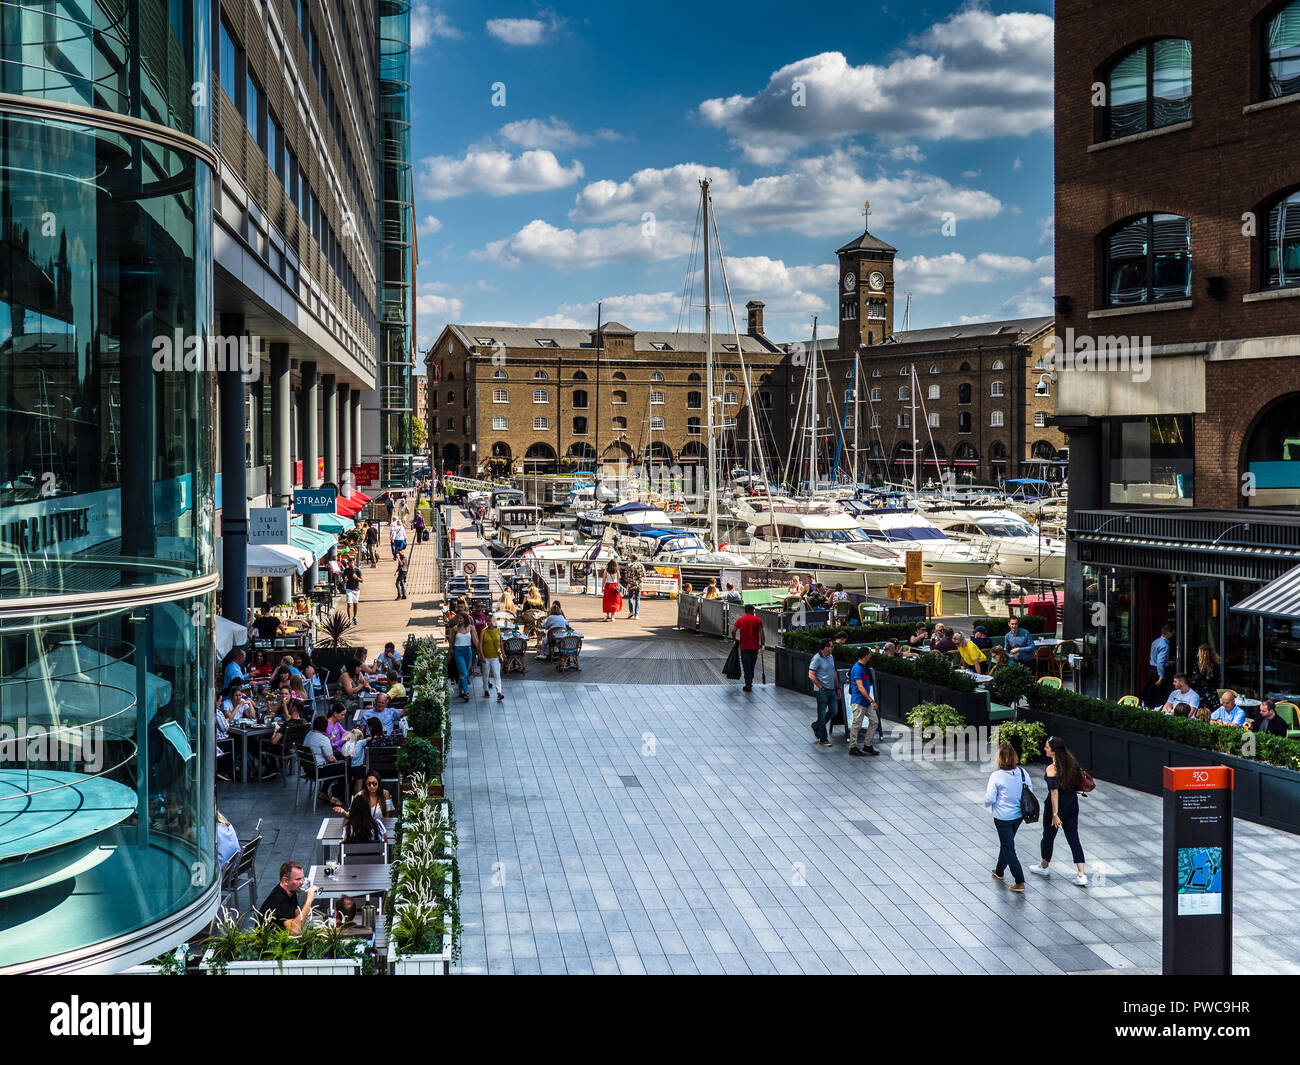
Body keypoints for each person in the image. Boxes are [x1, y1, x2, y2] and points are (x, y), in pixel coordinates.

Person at [1030, 736, 1088, 886]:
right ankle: (1081, 874)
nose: (1045, 749)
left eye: (1047, 747)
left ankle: (1044, 866)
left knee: (1048, 836)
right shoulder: (1072, 764)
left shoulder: (1051, 769)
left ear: (1054, 751)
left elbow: (1054, 792)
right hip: (1072, 803)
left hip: (1056, 806)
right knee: (1073, 837)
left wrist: (1055, 814)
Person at [984, 742, 1033, 893]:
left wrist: (987, 804)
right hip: (1018, 815)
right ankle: (999, 871)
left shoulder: (996, 776)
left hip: (1002, 817)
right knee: (1007, 842)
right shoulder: (1023, 773)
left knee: (1008, 847)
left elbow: (990, 799)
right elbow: (1030, 791)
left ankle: (1019, 881)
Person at [260, 861, 317, 934]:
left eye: (302, 878)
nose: (302, 882)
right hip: (271, 942)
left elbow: (298, 916)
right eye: (298, 879)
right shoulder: (280, 900)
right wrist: (309, 900)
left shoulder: (291, 890)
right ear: (285, 880)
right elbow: (295, 931)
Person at [848, 646, 881, 757]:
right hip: (859, 701)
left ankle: (867, 745)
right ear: (866, 654)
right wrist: (872, 700)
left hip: (865, 701)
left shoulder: (864, 667)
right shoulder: (857, 668)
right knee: (856, 724)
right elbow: (860, 687)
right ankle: (853, 747)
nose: (871, 655)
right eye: (870, 653)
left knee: (874, 721)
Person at [807, 639, 838, 749]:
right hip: (822, 691)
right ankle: (823, 738)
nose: (833, 648)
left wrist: (837, 687)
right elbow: (811, 674)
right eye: (831, 646)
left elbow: (833, 672)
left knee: (834, 711)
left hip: (832, 689)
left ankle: (816, 726)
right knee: (821, 713)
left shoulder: (831, 657)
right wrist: (820, 686)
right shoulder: (817, 658)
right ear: (825, 647)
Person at [731, 602, 765, 692]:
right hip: (754, 647)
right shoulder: (758, 620)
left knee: (746, 665)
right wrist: (763, 645)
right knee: (752, 665)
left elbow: (733, 631)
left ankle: (748, 683)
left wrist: (734, 639)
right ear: (752, 611)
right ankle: (749, 680)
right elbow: (762, 633)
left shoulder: (740, 620)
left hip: (744, 646)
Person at [448, 612, 480, 701]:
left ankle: (461, 688)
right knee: (463, 672)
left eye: (461, 618)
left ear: (465, 619)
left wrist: (480, 651)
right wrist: (450, 651)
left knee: (465, 671)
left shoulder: (471, 628)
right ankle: (466, 692)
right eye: (458, 618)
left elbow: (475, 641)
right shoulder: (455, 629)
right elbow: (451, 641)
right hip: (458, 651)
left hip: (468, 651)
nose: (459, 620)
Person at [1142, 623, 1175, 708]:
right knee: (1158, 693)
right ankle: (1154, 709)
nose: (1172, 635)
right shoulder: (1165, 645)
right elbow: (1160, 662)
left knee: (1150, 691)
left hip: (1151, 668)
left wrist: (1167, 662)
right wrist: (1161, 676)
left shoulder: (1155, 641)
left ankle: (1146, 706)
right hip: (1158, 671)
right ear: (1167, 633)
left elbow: (1156, 657)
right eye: (1172, 633)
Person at [480, 613, 504, 702]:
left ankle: (499, 692)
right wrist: (481, 655)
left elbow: (501, 642)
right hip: (486, 656)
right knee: (486, 674)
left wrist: (503, 653)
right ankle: (485, 689)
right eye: (487, 621)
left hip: (495, 656)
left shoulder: (498, 630)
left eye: (490, 621)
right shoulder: (483, 632)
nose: (489, 623)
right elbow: (480, 645)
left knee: (497, 674)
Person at [1189, 643, 1221, 707]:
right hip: (1212, 694)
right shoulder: (1215, 665)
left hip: (1200, 695)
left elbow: (1195, 681)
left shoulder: (1198, 666)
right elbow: (1217, 680)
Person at [341, 558, 364, 626]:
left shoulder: (357, 570)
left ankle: (355, 617)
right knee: (349, 604)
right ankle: (349, 620)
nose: (351, 564)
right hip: (349, 589)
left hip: (356, 589)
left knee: (355, 604)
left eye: (352, 563)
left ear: (354, 563)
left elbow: (362, 580)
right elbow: (344, 579)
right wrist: (345, 580)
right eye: (350, 563)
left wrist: (356, 578)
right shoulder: (346, 570)